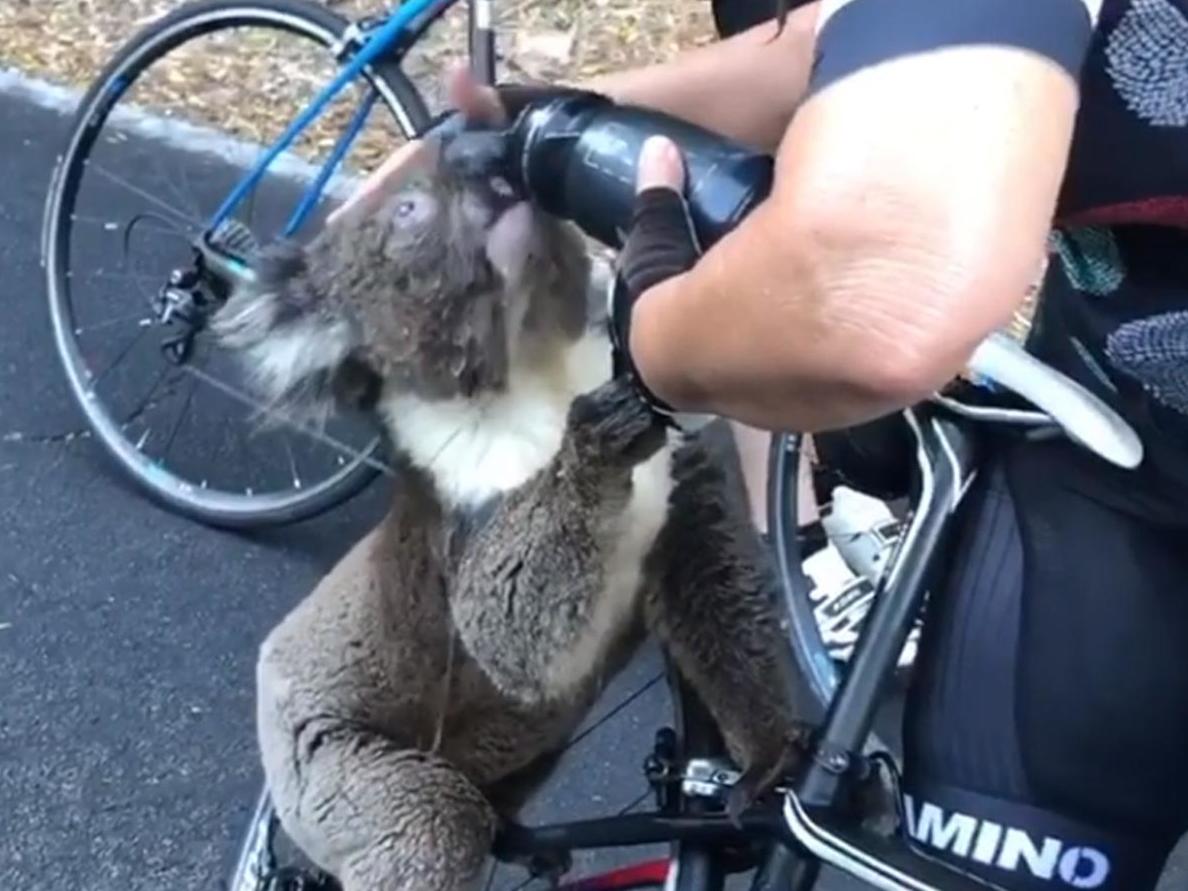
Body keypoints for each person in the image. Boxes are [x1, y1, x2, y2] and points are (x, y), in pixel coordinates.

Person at [338, 1, 1188, 887]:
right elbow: (834, 47)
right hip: (1105, 477)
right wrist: (530, 130)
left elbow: (870, 295)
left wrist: (657, 325)